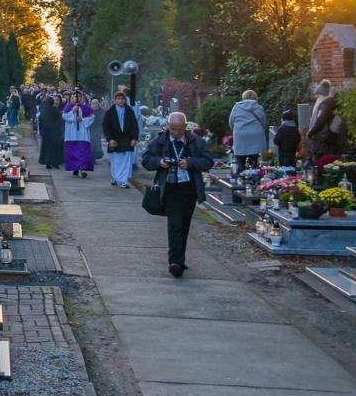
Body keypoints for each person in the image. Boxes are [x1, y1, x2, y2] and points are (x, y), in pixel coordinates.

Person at [141, 112, 213, 277]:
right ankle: (175, 262)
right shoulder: (160, 141)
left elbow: (208, 161)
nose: (175, 133)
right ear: (168, 126)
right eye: (172, 129)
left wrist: (190, 163)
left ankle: (180, 258)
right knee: (174, 225)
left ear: (185, 127)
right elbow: (146, 159)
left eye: (179, 130)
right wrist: (159, 162)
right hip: (170, 188)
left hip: (189, 188)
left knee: (184, 225)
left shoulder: (196, 142)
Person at [101, 90, 141, 187]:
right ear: (115, 100)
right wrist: (110, 139)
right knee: (115, 160)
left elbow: (134, 126)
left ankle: (124, 180)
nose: (120, 100)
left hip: (127, 138)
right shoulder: (110, 112)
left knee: (126, 160)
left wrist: (134, 138)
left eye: (122, 98)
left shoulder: (129, 111)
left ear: (125, 100)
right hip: (114, 139)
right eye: (118, 99)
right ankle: (115, 177)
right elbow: (106, 126)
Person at [228, 90, 269, 172]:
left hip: (240, 134)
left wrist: (236, 129)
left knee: (240, 157)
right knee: (254, 157)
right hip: (256, 133)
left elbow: (231, 121)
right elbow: (263, 121)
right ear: (255, 97)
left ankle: (241, 174)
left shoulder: (236, 107)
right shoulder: (258, 107)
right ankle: (254, 173)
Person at [63, 92, 94, 177]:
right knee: (73, 152)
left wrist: (82, 119)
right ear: (71, 98)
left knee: (83, 151)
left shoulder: (86, 108)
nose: (77, 98)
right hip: (71, 134)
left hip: (83, 134)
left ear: (82, 98)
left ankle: (83, 169)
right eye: (74, 97)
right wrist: (73, 111)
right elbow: (64, 117)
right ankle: (75, 168)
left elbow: (91, 118)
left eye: (79, 96)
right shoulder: (68, 107)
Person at [38, 94, 65, 169]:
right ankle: (55, 163)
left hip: (46, 133)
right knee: (54, 149)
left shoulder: (43, 111)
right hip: (53, 133)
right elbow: (58, 121)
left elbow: (40, 122)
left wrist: (41, 132)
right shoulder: (53, 110)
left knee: (47, 149)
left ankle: (47, 163)